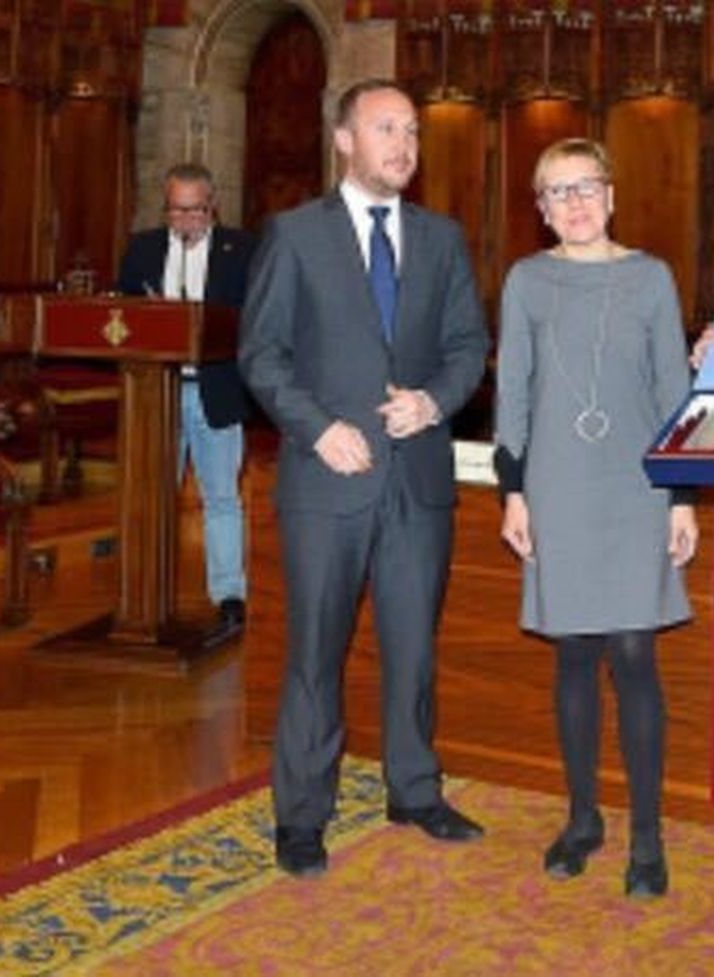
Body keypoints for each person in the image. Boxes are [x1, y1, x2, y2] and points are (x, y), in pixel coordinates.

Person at [238, 79, 491, 879]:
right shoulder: (294, 235)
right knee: (316, 653)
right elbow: (261, 354)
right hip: (327, 482)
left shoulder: (442, 239)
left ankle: (414, 790)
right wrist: (319, 428)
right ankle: (301, 815)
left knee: (413, 648)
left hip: (417, 480)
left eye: (411, 131)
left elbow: (467, 345)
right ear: (343, 139)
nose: (403, 145)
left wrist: (433, 401)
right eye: (386, 129)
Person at [494, 138, 697, 900]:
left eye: (586, 187)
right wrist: (513, 492)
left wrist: (683, 496)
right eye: (558, 191)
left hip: (637, 486)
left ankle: (647, 834)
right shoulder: (525, 280)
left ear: (611, 196)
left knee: (635, 653)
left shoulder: (651, 277)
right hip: (556, 485)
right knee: (575, 650)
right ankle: (583, 818)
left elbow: (675, 392)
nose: (575, 202)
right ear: (541, 209)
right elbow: (513, 391)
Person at [116, 162, 255, 636]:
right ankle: (147, 591)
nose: (186, 221)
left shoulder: (242, 250)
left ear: (213, 206)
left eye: (195, 211)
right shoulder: (144, 249)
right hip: (157, 394)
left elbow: (255, 318)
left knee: (222, 497)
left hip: (216, 389)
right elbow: (122, 315)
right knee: (155, 496)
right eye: (176, 211)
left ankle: (229, 594)